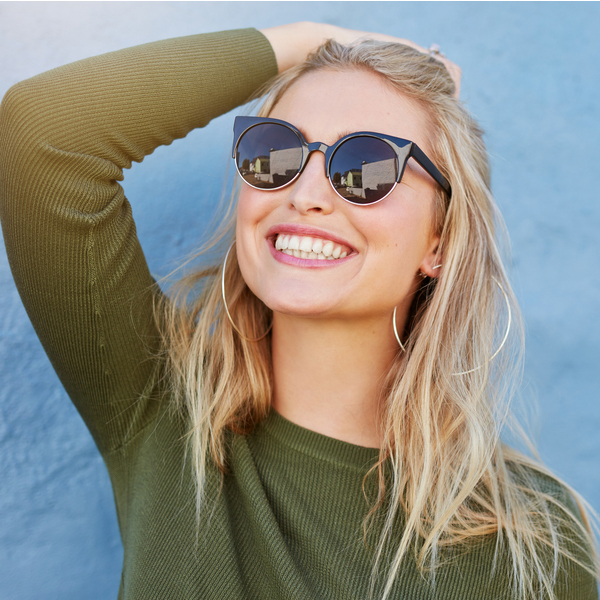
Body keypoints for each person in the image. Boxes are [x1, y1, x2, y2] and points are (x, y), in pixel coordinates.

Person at [0, 21, 598, 600]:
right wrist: (319, 42)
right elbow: (42, 135)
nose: (305, 195)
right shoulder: (164, 410)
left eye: (366, 166)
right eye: (275, 150)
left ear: (439, 242)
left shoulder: (532, 542)